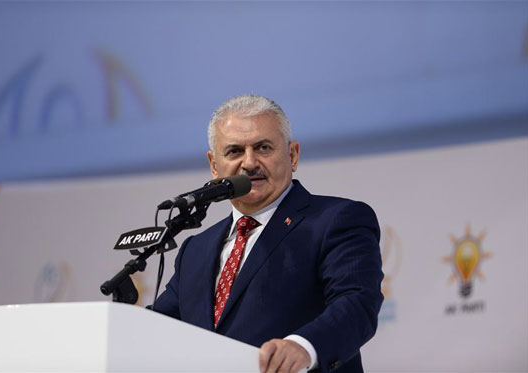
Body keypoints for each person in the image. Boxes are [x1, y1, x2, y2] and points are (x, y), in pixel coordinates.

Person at [153, 95, 383, 373]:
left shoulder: (336, 220)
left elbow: (357, 303)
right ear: (214, 165)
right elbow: (160, 327)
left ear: (293, 155)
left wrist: (303, 346)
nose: (249, 163)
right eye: (235, 151)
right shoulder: (195, 250)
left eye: (263, 147)